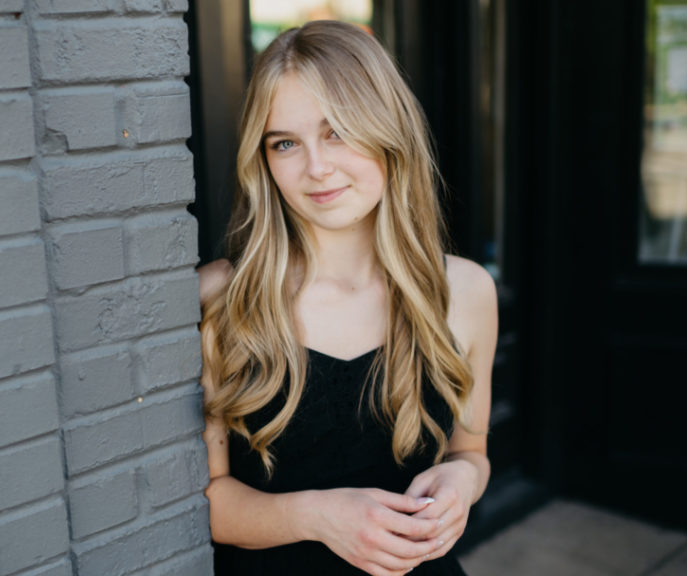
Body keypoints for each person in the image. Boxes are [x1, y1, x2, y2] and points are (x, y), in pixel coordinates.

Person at [197, 20, 497, 576]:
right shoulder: (221, 299)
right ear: (261, 159)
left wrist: (462, 480)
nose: (316, 168)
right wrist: (317, 516)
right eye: (285, 143)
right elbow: (206, 500)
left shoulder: (466, 292)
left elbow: (470, 452)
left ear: (387, 131)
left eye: (337, 131)